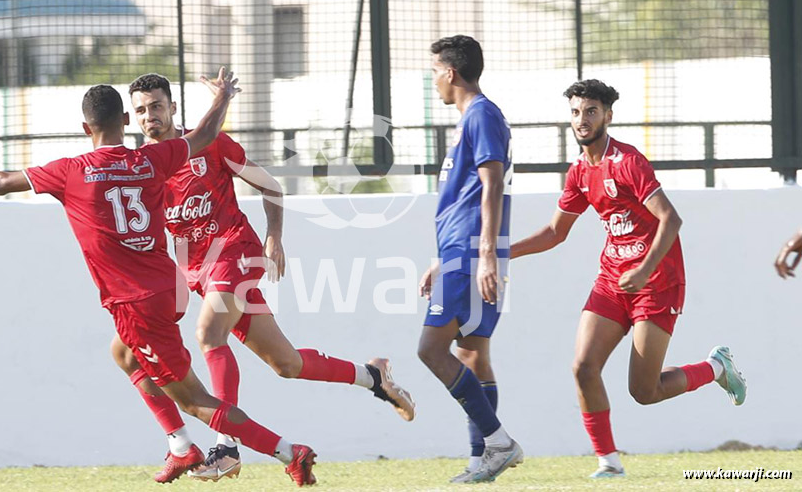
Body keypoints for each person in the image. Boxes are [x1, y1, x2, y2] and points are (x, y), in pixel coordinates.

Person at [0, 74, 319, 487]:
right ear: (126, 119)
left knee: (195, 400)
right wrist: (222, 97)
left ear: (85, 128)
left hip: (136, 301)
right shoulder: (151, 159)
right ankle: (181, 447)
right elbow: (205, 134)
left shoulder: (71, 170)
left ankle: (290, 452)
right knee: (124, 355)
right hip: (170, 287)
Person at [111, 73, 415, 483]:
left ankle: (225, 446)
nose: (151, 116)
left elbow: (269, 185)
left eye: (158, 106)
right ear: (133, 117)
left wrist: (274, 236)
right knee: (284, 363)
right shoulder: (140, 167)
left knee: (208, 334)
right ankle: (373, 377)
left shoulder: (210, 144)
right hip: (191, 269)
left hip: (234, 251)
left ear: (173, 109)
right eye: (142, 110)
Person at [510, 79, 747, 478]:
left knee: (645, 392)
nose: (582, 120)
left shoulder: (628, 162)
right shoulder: (580, 172)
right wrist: (500, 253)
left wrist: (644, 269)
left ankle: (716, 369)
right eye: (575, 112)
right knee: (583, 368)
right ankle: (609, 463)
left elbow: (671, 219)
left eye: (590, 111)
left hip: (656, 282)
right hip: (613, 281)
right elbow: (555, 233)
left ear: (608, 115)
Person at [416, 35, 520, 484]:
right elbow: (468, 195)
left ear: (450, 73)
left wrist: (484, 254)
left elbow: (491, 183)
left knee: (431, 350)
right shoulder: (472, 118)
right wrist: (443, 259)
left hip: (473, 253)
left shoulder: (481, 114)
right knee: (472, 353)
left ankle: (499, 443)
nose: (432, 79)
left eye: (434, 70)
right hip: (462, 252)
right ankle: (482, 462)